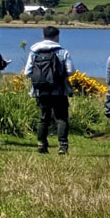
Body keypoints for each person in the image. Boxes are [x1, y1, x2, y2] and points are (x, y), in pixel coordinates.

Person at [25, 27, 73, 155]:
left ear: (43, 35)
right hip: (59, 90)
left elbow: (27, 72)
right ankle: (62, 146)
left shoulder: (34, 51)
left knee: (43, 118)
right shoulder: (62, 52)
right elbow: (71, 71)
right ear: (56, 36)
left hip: (41, 90)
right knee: (61, 118)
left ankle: (41, 144)